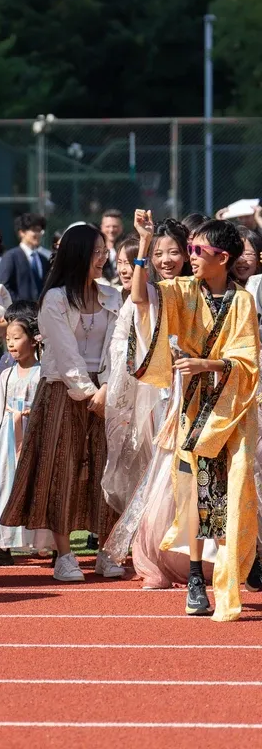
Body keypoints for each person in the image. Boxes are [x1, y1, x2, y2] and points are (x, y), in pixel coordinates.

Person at [127, 210, 259, 621]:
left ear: (222, 257)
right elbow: (139, 296)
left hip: (232, 412)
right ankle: (199, 579)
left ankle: (234, 570)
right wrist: (144, 245)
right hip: (195, 410)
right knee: (196, 498)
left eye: (199, 250)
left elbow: (249, 363)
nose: (191, 256)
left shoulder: (242, 301)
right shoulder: (184, 290)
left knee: (234, 491)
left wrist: (209, 365)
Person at [1, 224, 123, 583]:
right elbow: (66, 355)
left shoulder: (111, 296)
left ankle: (107, 551)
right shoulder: (54, 299)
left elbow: (117, 348)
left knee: (106, 470)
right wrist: (88, 392)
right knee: (61, 470)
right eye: (96, 252)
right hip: (60, 391)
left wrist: (106, 390)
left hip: (105, 392)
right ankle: (64, 554)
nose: (103, 259)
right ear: (79, 255)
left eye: (104, 252)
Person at [102, 219, 207, 589]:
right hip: (156, 393)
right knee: (157, 474)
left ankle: (199, 558)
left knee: (191, 476)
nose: (167, 259)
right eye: (159, 254)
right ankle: (157, 561)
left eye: (173, 252)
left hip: (198, 391)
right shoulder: (151, 292)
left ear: (188, 253)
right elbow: (138, 298)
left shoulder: (200, 290)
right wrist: (144, 241)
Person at [0, 312, 52, 565]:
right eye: (7, 338)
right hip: (9, 438)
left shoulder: (44, 374)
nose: (10, 343)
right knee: (4, 487)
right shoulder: (6, 374)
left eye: (16, 338)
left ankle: (47, 544)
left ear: (33, 341)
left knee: (37, 486)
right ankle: (3, 546)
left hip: (34, 438)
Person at [0, 213, 51, 303]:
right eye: (34, 230)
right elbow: (4, 287)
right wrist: (22, 307)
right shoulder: (11, 256)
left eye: (40, 230)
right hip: (20, 313)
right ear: (22, 232)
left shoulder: (43, 259)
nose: (38, 234)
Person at [100, 209, 124, 280]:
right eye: (108, 226)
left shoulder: (127, 246)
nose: (111, 230)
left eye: (115, 226)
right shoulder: (94, 248)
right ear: (102, 227)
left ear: (121, 227)